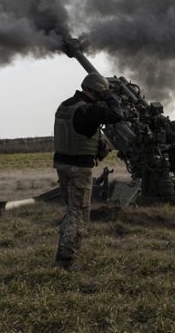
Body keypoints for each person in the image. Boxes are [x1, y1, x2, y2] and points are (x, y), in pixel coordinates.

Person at [53, 72, 123, 271]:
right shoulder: (88, 110)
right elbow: (118, 115)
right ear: (97, 90)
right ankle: (65, 260)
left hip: (62, 164)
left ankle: (63, 253)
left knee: (72, 210)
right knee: (79, 214)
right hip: (79, 168)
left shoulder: (65, 105)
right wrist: (110, 96)